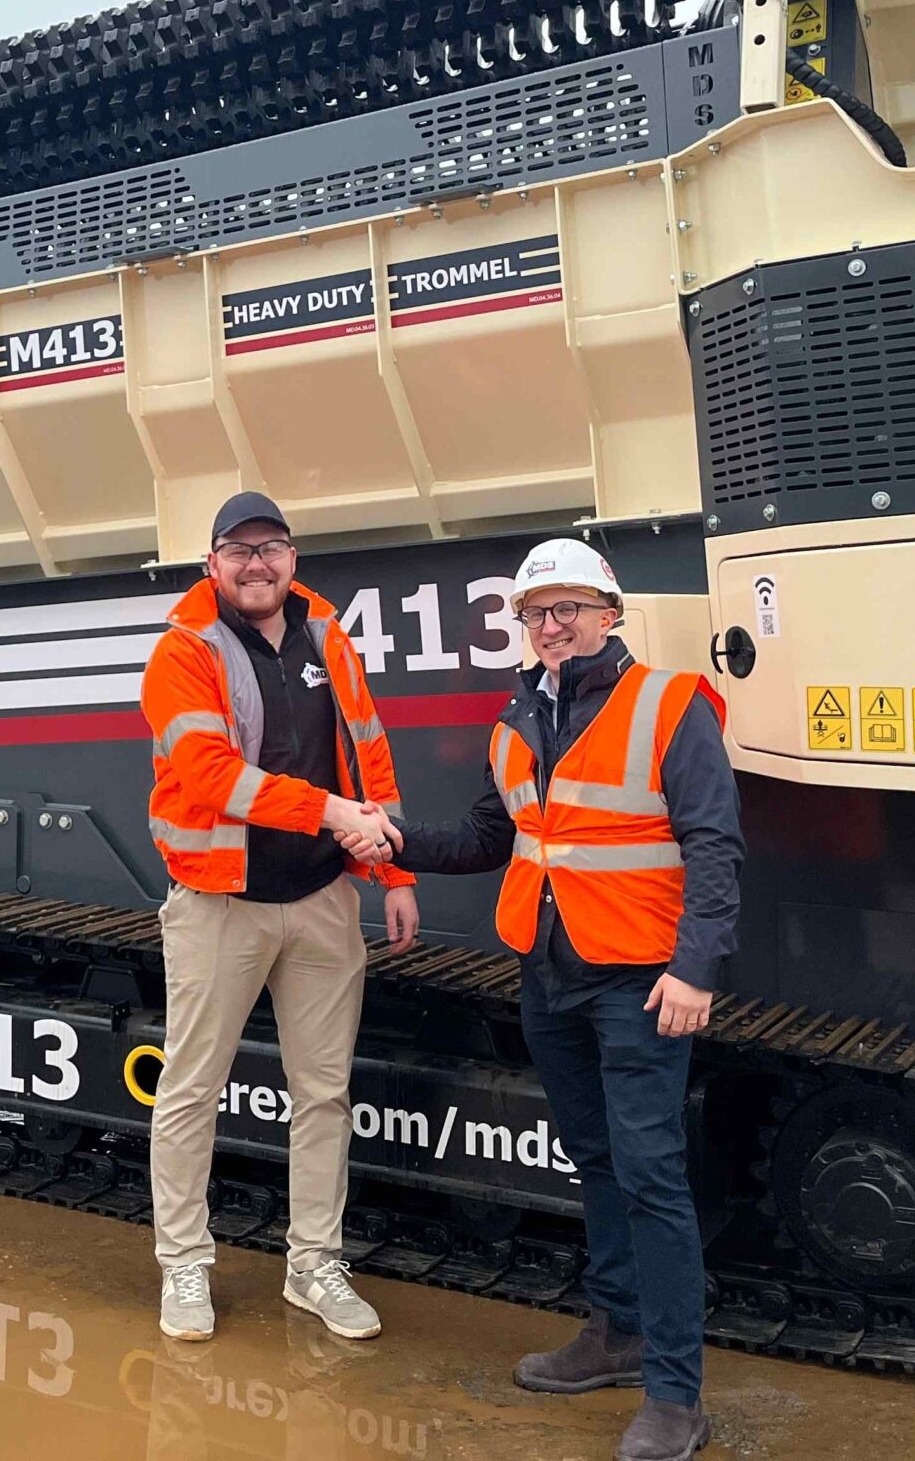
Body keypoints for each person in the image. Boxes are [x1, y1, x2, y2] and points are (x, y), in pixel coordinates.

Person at [374, 537, 741, 1461]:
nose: (552, 624)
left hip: (640, 980)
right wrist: (393, 843)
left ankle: (675, 1394)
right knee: (597, 1158)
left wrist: (696, 967)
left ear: (610, 613)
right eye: (537, 613)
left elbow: (714, 846)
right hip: (549, 973)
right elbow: (490, 838)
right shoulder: (517, 723)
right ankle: (615, 1332)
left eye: (570, 606)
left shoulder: (668, 705)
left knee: (652, 1174)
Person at [140, 490, 420, 1346]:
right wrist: (336, 816)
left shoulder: (328, 638)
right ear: (211, 565)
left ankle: (313, 1264)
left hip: (324, 900)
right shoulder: (182, 653)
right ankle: (184, 1264)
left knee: (324, 1093)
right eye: (238, 550)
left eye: (271, 548)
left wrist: (392, 866)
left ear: (292, 559)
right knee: (191, 1090)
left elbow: (369, 753)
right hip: (222, 904)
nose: (256, 563)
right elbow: (211, 776)